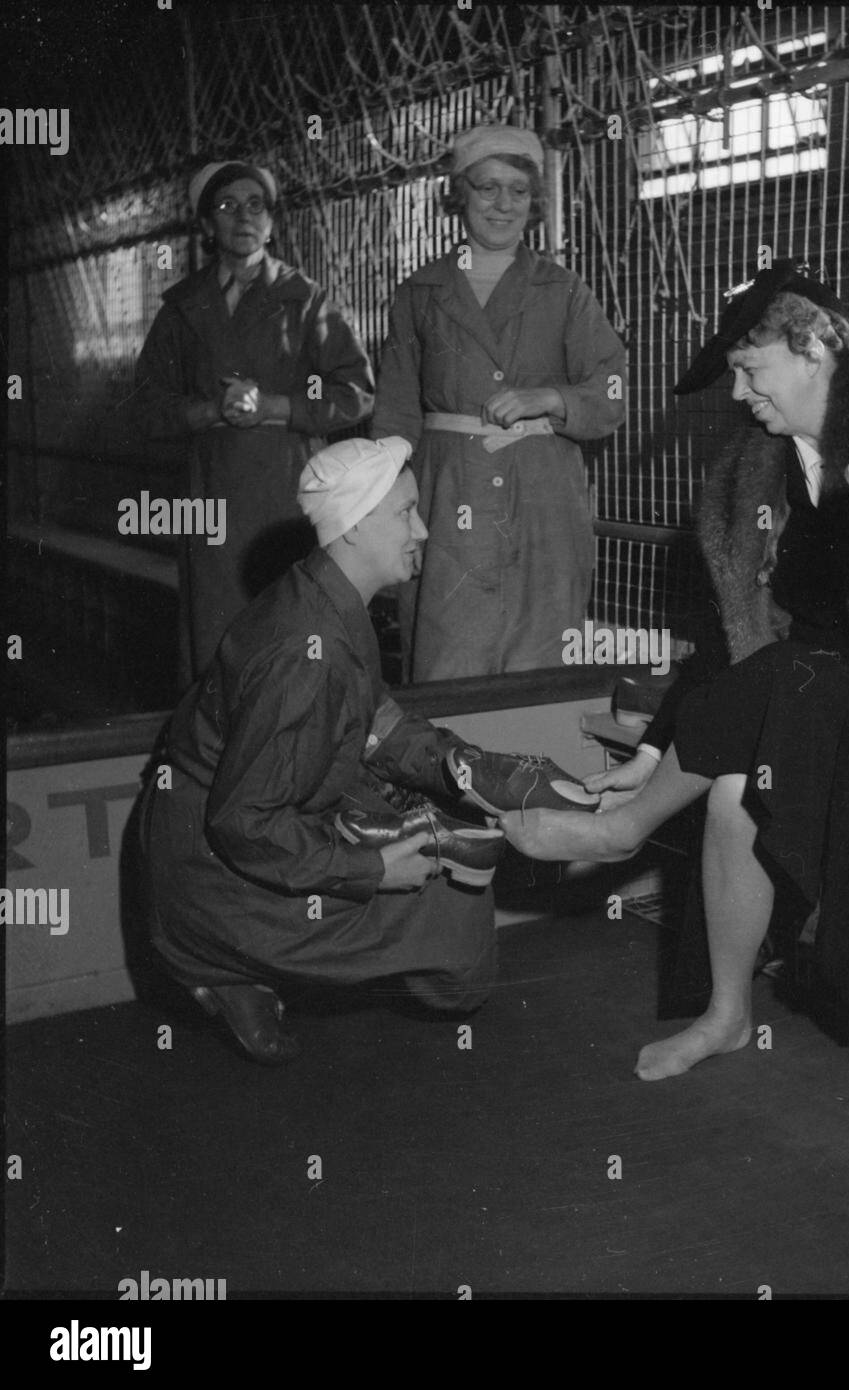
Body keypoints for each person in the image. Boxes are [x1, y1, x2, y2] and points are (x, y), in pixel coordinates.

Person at [501, 263, 849, 1079]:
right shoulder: (761, 471)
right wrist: (650, 753)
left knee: (792, 679)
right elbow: (727, 643)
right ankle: (725, 1013)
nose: (742, 395)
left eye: (751, 371)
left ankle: (623, 831)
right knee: (729, 786)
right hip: (795, 703)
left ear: (816, 344)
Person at [135, 437, 591, 1065]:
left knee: (445, 846)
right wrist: (373, 872)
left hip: (216, 831)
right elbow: (243, 821)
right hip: (209, 870)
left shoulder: (322, 598)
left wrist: (468, 767)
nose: (425, 528)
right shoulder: (306, 648)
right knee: (457, 942)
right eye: (405, 512)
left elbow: (373, 721)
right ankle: (225, 963)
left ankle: (236, 964)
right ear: (352, 528)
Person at [372, 124, 626, 680]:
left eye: (518, 190)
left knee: (541, 649)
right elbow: (393, 412)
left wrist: (554, 397)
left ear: (534, 203)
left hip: (542, 497)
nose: (502, 204)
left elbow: (611, 393)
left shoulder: (563, 290)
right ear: (459, 194)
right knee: (447, 648)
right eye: (487, 188)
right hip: (447, 493)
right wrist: (390, 497)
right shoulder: (420, 293)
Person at [135, 160, 375, 685]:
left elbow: (356, 393)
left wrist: (277, 408)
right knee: (216, 634)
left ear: (271, 221)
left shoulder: (305, 299)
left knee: (290, 625)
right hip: (211, 490)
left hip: (288, 489)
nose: (243, 216)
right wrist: (207, 411)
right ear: (205, 226)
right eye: (227, 206)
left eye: (256, 205)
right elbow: (146, 405)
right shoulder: (181, 308)